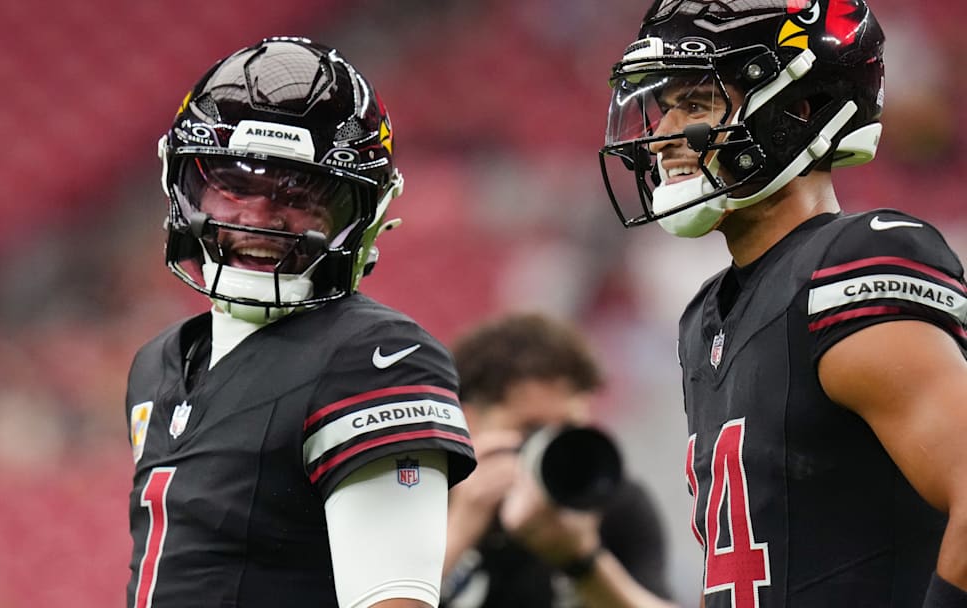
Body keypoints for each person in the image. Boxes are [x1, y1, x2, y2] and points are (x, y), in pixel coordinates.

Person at [598, 1, 967, 606]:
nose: (662, 135)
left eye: (695, 103)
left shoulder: (850, 265)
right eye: (664, 107)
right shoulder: (705, 318)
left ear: (795, 111)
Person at [124, 37, 477, 608]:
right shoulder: (158, 363)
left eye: (298, 192)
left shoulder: (375, 358)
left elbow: (393, 601)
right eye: (234, 185)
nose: (256, 218)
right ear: (183, 184)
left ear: (363, 213)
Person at [441, 312, 675, 608]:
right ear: (467, 421)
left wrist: (583, 561)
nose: (549, 446)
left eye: (566, 430)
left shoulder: (608, 500)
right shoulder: (420, 498)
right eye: (531, 429)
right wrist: (460, 531)